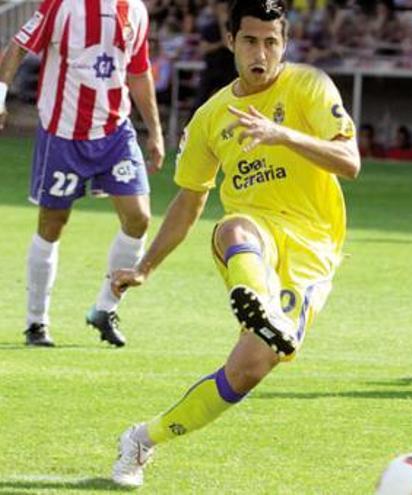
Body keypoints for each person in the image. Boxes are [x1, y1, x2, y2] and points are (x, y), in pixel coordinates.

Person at [107, 0, 360, 487]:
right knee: (232, 228)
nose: (260, 52)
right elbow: (189, 201)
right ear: (231, 42)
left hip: (313, 249)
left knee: (247, 370)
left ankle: (142, 438)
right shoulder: (209, 117)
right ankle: (261, 305)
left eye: (271, 41)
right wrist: (145, 267)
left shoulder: (309, 85)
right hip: (255, 236)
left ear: (284, 44)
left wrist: (280, 134)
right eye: (250, 41)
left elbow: (349, 161)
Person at [0, 0, 165, 347]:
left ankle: (104, 308)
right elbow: (18, 45)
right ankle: (36, 321)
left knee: (139, 218)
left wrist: (155, 130)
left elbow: (137, 72)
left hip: (115, 132)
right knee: (53, 223)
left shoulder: (134, 9)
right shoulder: (63, 4)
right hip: (63, 133)